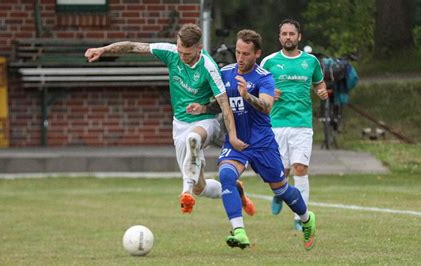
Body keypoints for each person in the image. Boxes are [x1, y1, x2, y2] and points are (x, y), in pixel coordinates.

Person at [84, 23, 255, 215]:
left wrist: (231, 135)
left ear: (199, 48)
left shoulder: (209, 67)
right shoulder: (171, 53)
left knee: (194, 138)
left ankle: (185, 193)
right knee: (201, 187)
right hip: (180, 124)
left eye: (187, 54)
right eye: (180, 51)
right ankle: (235, 191)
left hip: (206, 122)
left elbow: (225, 105)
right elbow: (133, 46)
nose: (182, 57)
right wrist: (103, 50)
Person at [187, 29, 316, 250]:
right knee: (226, 175)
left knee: (281, 190)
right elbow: (220, 101)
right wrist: (203, 108)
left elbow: (266, 107)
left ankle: (306, 219)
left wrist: (248, 95)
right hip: (236, 142)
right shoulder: (225, 73)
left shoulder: (264, 77)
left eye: (246, 54)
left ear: (257, 54)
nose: (240, 58)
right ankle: (239, 231)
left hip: (263, 143)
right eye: (237, 52)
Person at [261, 19, 328, 231]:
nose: (288, 37)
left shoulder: (311, 62)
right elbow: (256, 86)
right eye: (284, 34)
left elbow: (319, 83)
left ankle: (301, 217)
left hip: (302, 124)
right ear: (279, 37)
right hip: (277, 124)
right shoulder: (269, 62)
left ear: (299, 36)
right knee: (281, 172)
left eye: (292, 33)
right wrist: (269, 92)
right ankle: (280, 194)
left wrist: (321, 92)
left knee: (300, 168)